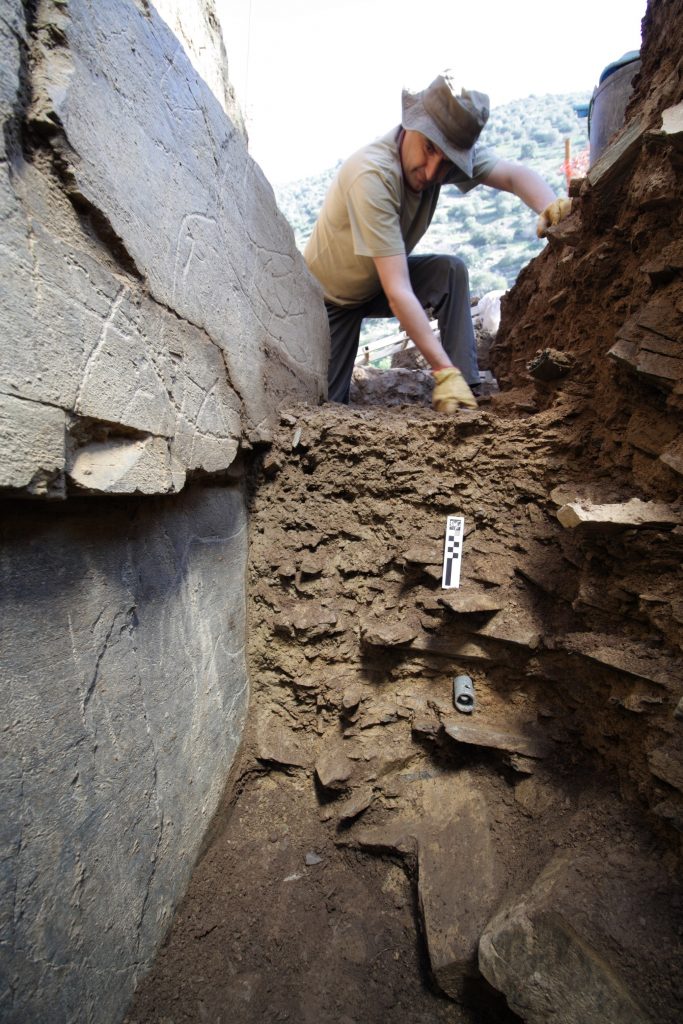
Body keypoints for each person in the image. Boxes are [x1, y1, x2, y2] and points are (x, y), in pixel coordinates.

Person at [304, 71, 573, 412]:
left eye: (446, 163)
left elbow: (512, 174)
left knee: (450, 272)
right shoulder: (373, 175)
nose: (432, 172)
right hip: (332, 299)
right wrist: (440, 369)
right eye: (429, 149)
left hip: (378, 278)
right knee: (328, 411)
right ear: (411, 124)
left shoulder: (441, 157)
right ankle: (451, 378)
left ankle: (466, 396)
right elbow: (398, 291)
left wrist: (550, 205)